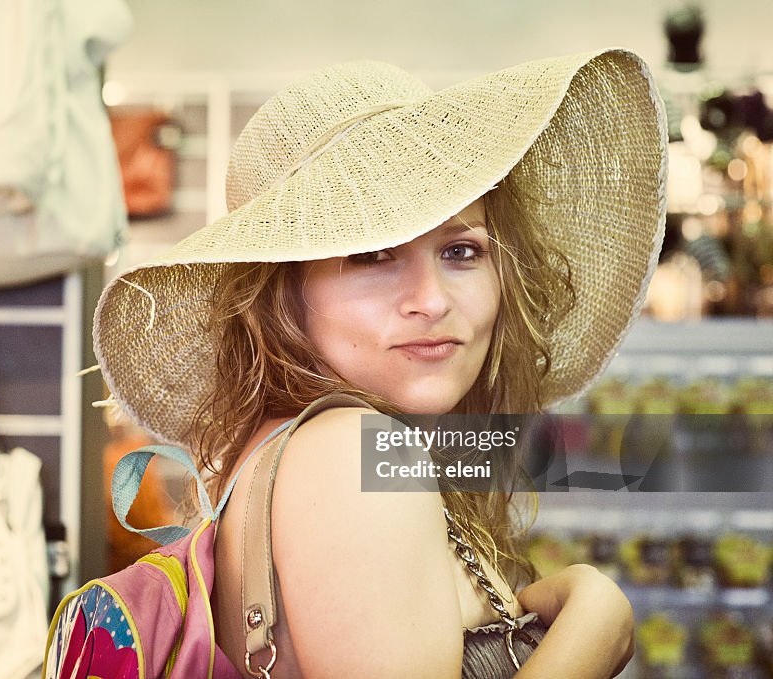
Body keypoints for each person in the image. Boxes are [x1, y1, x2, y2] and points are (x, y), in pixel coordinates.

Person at [92, 48, 666, 677]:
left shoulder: (305, 450)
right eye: (372, 255)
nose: (431, 300)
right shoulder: (349, 454)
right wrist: (596, 628)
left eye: (461, 250)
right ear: (285, 295)